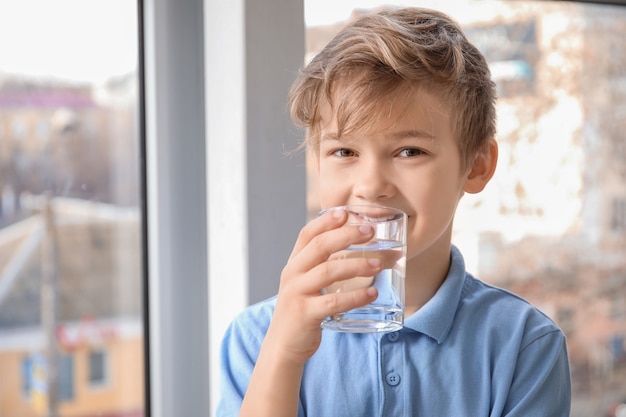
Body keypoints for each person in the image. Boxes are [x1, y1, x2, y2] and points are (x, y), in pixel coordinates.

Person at [217, 7, 571, 417]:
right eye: (344, 151)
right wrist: (282, 356)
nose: (370, 185)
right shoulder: (258, 338)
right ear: (317, 163)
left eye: (409, 151)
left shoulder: (525, 345)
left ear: (476, 165)